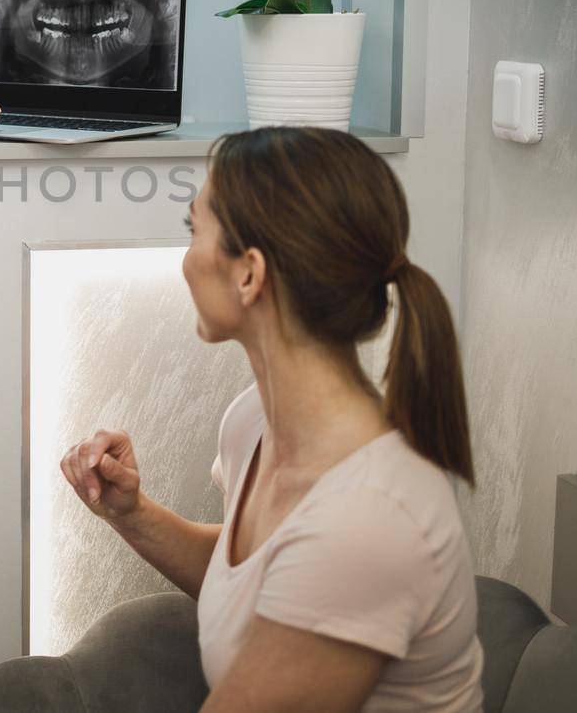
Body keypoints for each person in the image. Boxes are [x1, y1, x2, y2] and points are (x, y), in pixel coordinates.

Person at [60, 126, 483, 712]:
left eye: (194, 230)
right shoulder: (251, 424)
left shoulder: (369, 517)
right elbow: (254, 583)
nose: (186, 259)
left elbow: (315, 570)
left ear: (249, 274)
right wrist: (132, 515)